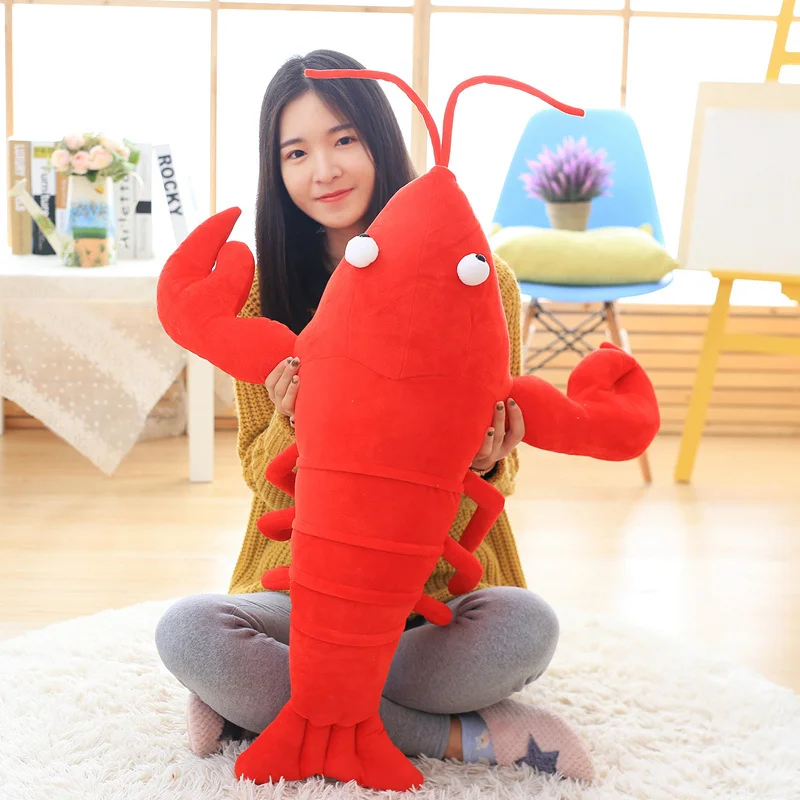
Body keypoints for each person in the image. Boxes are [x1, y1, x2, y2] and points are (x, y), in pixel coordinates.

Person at [155, 48, 595, 782]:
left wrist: (488, 455)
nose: (324, 170)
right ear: (276, 169)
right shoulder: (263, 295)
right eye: (297, 152)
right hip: (312, 596)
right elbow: (261, 477)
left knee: (526, 628)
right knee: (191, 631)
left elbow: (503, 471)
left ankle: (262, 707)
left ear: (381, 142)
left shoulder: (483, 280)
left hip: (437, 597)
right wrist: (295, 421)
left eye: (344, 139)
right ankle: (462, 737)